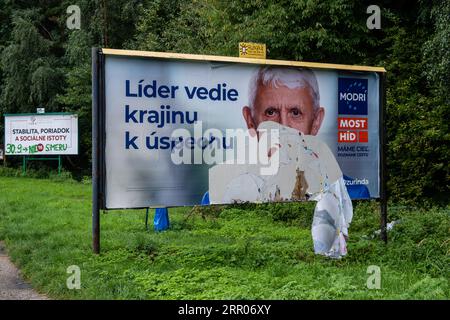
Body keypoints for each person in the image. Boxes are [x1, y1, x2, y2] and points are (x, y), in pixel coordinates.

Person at [242, 66, 369, 199]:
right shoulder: (233, 189)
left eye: (295, 113)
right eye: (271, 112)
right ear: (250, 121)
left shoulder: (350, 193)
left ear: (316, 122)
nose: (283, 126)